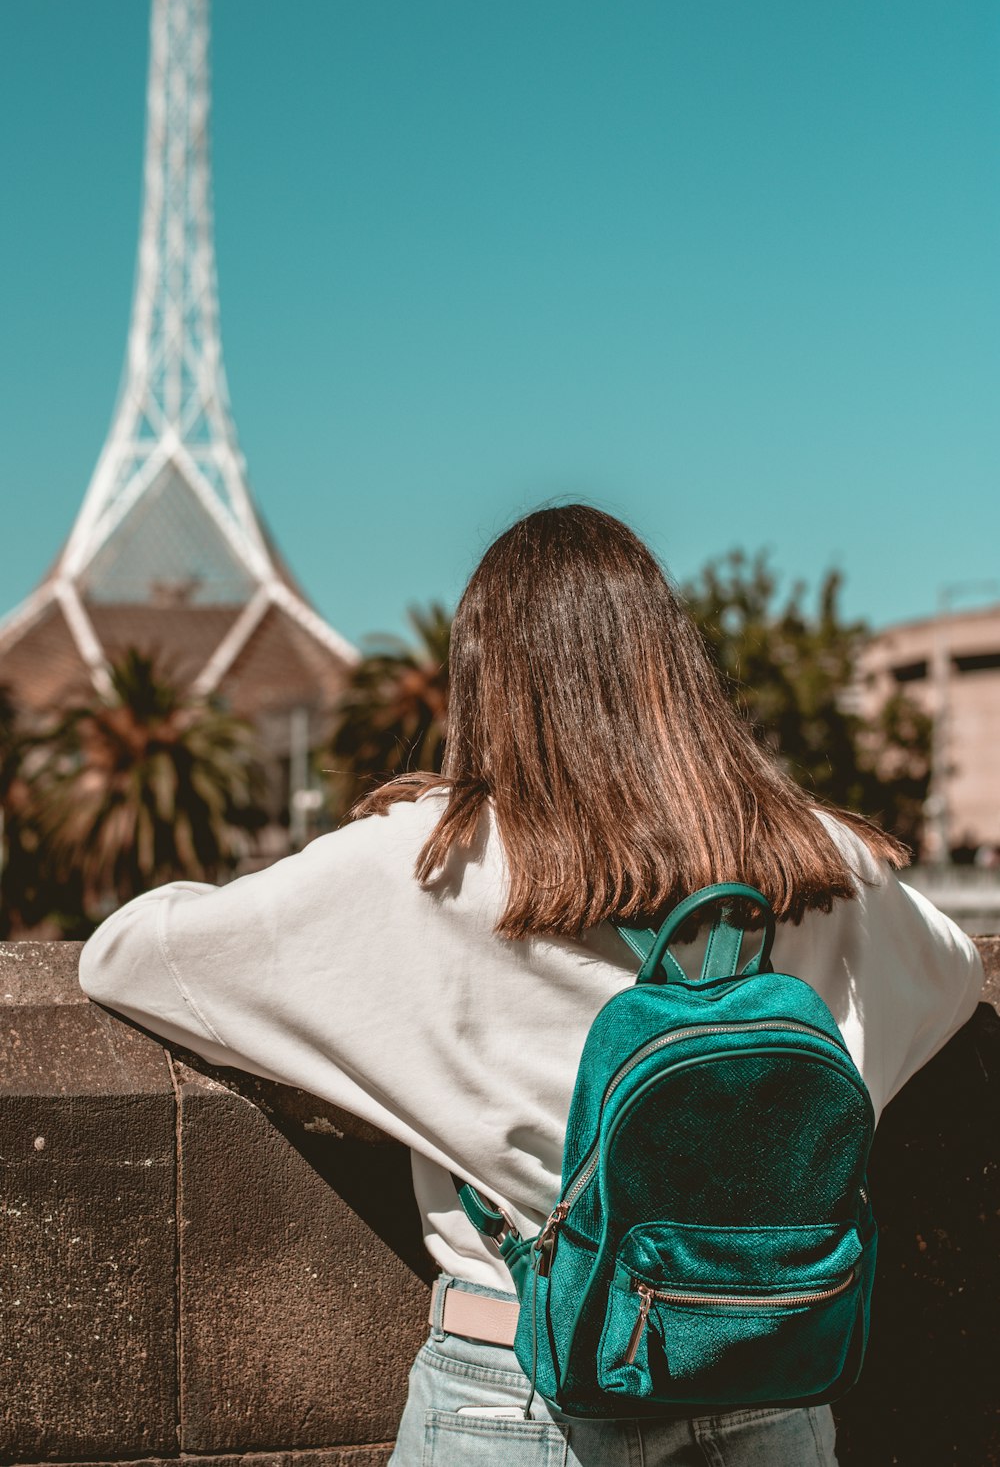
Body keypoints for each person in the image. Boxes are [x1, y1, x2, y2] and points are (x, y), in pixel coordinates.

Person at [79, 505, 983, 1466]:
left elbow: (130, 956)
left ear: (485, 684)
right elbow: (957, 976)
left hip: (512, 1395)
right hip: (773, 1383)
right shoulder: (822, 859)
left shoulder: (426, 866)